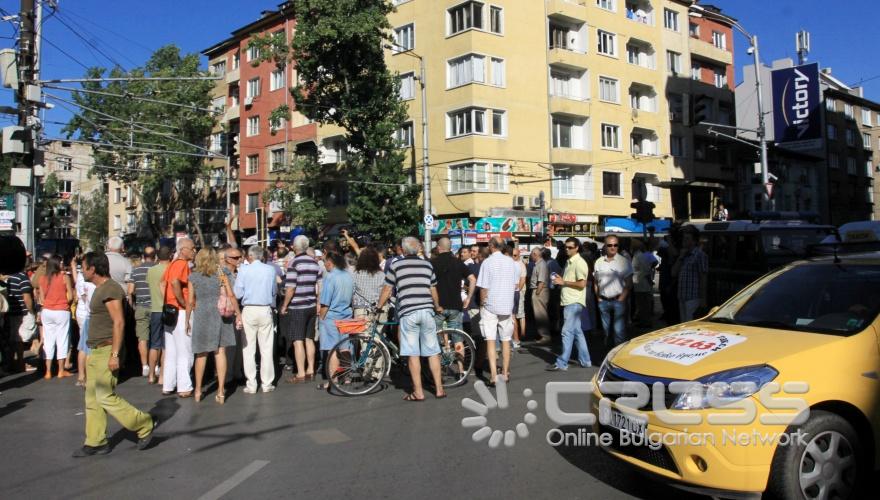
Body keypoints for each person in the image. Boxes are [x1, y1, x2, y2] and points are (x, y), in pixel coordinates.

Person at [73, 252, 154, 457]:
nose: (82, 271)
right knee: (92, 399)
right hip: (96, 349)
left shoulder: (110, 289)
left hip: (107, 350)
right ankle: (95, 441)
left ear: (93, 269)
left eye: (84, 267)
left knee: (104, 396)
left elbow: (119, 322)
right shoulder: (101, 289)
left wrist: (115, 354)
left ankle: (143, 423)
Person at [377, 237, 445, 400]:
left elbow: (387, 289)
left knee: (413, 353)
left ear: (403, 250)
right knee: (433, 351)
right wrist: (437, 305)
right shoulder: (427, 265)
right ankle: (439, 389)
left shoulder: (396, 266)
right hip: (427, 311)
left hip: (408, 312)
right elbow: (433, 289)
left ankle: (418, 392)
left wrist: (379, 306)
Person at [187, 248, 241, 404]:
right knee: (220, 351)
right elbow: (231, 295)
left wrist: (186, 320)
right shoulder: (221, 274)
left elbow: (190, 301)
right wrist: (238, 313)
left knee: (201, 353)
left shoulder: (193, 276)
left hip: (202, 315)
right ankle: (221, 391)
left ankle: (198, 391)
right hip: (219, 313)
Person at [234, 245, 278, 394]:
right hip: (265, 309)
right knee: (266, 348)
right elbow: (274, 291)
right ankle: (267, 383)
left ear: (250, 256)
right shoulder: (270, 270)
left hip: (249, 309)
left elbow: (238, 293)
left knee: (248, 349)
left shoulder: (243, 270)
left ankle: (251, 384)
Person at [476, 237, 520, 385]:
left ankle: (494, 375)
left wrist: (482, 303)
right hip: (506, 305)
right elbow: (515, 284)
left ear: (491, 246)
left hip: (491, 305)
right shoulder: (512, 263)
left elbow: (483, 287)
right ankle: (505, 373)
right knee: (506, 339)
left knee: (490, 340)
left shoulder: (487, 263)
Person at [280, 235, 322, 383]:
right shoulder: (314, 263)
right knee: (309, 339)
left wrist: (285, 305)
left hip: (297, 306)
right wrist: (318, 302)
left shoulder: (294, 263)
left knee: (298, 340)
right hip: (311, 305)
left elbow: (291, 288)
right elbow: (320, 286)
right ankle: (311, 369)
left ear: (294, 247)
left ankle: (301, 373)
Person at [547, 237, 592, 371]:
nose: (567, 249)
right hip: (570, 301)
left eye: (570, 247)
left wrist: (563, 282)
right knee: (577, 332)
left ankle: (562, 363)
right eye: (565, 247)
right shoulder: (569, 261)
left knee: (566, 332)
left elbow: (582, 283)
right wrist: (561, 280)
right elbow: (570, 281)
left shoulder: (579, 262)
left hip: (574, 301)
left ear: (577, 248)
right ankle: (586, 361)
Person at [162, 238, 195, 398]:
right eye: (192, 248)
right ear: (183, 250)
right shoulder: (182, 264)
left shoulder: (171, 264)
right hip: (181, 311)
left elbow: (162, 284)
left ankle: (168, 384)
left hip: (170, 310)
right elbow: (175, 282)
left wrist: (168, 300)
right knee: (185, 350)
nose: (194, 251)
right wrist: (182, 302)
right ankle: (184, 386)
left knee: (171, 351)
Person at [430, 236, 476, 351]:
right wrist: (468, 298)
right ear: (450, 248)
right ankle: (461, 362)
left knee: (435, 338)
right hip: (456, 305)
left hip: (438, 307)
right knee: (458, 339)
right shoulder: (458, 263)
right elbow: (472, 279)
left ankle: (440, 359)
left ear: (439, 247)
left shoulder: (432, 263)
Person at [317, 252, 354, 391]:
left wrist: (321, 317)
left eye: (324, 261)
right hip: (346, 314)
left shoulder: (330, 277)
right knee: (345, 346)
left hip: (331, 316)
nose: (324, 264)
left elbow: (325, 302)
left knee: (332, 349)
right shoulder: (348, 276)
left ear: (330, 262)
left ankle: (333, 381)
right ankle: (347, 376)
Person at [38, 254, 74, 379]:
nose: (63, 264)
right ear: (57, 264)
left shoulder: (42, 278)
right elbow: (70, 296)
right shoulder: (64, 277)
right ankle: (61, 370)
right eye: (61, 262)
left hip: (47, 311)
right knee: (62, 340)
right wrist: (66, 302)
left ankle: (48, 371)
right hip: (61, 310)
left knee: (48, 340)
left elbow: (42, 299)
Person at [594, 235, 633, 347]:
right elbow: (596, 282)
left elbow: (629, 283)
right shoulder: (598, 262)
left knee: (619, 331)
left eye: (615, 245)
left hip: (618, 300)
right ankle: (608, 351)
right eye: (610, 245)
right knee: (606, 331)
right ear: (605, 246)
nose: (613, 247)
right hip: (603, 301)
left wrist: (621, 300)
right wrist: (598, 298)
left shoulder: (624, 261)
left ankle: (618, 353)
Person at [4, 264, 37, 373]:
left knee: (13, 339)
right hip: (22, 312)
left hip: (11, 312)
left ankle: (12, 363)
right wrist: (32, 312)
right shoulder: (22, 277)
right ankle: (20, 363)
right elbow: (26, 297)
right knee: (20, 339)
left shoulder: (9, 277)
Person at [220, 245, 245, 385]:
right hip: (228, 313)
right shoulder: (222, 273)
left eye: (240, 257)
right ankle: (228, 374)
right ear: (228, 259)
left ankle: (237, 371)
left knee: (239, 344)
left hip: (239, 310)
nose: (239, 259)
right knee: (229, 344)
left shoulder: (240, 272)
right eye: (236, 257)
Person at [146, 247, 170, 385]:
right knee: (166, 345)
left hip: (155, 309)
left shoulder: (151, 270)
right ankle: (162, 376)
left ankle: (151, 375)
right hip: (169, 310)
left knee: (154, 344)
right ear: (170, 255)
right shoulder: (171, 269)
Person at [129, 247, 156, 377]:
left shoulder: (136, 270)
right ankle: (156, 365)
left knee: (142, 337)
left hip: (141, 306)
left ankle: (144, 365)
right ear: (155, 256)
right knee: (156, 337)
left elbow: (130, 290)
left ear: (143, 257)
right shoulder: (158, 268)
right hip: (156, 306)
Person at [672, 227, 708, 322]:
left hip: (693, 297)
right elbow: (674, 273)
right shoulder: (683, 255)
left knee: (690, 323)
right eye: (684, 238)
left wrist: (703, 299)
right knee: (683, 324)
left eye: (687, 238)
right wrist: (681, 257)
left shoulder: (700, 255)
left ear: (694, 241)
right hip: (682, 296)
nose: (684, 240)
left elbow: (703, 277)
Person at [74, 258, 97, 386]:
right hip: (89, 314)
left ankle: (81, 376)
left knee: (83, 346)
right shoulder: (91, 282)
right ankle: (88, 377)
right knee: (89, 347)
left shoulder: (80, 277)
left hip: (83, 312)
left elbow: (82, 295)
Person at [631, 239, 659, 327]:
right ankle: (644, 321)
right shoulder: (638, 255)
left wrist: (650, 281)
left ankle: (646, 322)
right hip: (640, 284)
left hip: (642, 284)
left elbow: (646, 270)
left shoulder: (639, 256)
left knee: (643, 305)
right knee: (643, 304)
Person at [529, 247, 551, 345]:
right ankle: (542, 335)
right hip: (538, 290)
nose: (530, 256)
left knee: (541, 315)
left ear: (535, 254)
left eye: (531, 254)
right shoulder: (539, 264)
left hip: (539, 291)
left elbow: (541, 281)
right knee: (539, 314)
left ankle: (545, 336)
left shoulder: (541, 264)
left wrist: (537, 293)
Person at [511, 245, 527, 348]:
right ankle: (517, 338)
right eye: (511, 255)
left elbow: (522, 280)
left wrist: (517, 291)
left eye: (515, 255)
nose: (513, 257)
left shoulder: (520, 265)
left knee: (519, 315)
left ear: (519, 255)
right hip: (515, 292)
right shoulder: (513, 264)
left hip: (518, 292)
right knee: (514, 316)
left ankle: (521, 336)